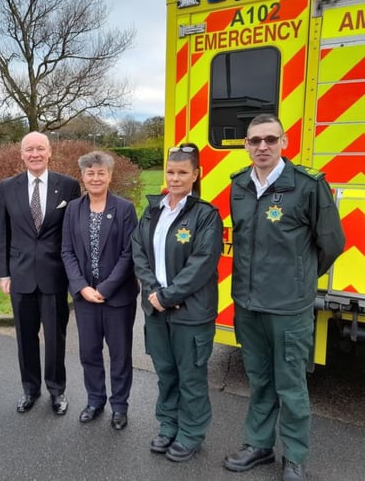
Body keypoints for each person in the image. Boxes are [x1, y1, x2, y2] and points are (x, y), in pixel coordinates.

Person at [223, 114, 345, 481]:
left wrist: (299, 278)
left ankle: (294, 457)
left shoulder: (308, 186)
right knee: (259, 379)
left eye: (270, 139)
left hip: (289, 308)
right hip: (248, 304)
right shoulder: (239, 185)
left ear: (284, 142)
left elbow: (332, 243)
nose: (262, 146)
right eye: (255, 140)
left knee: (291, 385)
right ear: (246, 145)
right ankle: (259, 445)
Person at [131, 143, 223, 462]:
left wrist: (166, 296)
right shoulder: (153, 210)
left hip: (191, 313)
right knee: (166, 373)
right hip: (156, 310)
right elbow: (138, 252)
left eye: (183, 172)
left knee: (191, 377)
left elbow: (202, 264)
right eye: (170, 171)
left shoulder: (206, 215)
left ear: (196, 174)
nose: (175, 178)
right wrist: (153, 291)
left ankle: (191, 433)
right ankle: (168, 425)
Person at [0, 131, 81, 415]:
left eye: (40, 149)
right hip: (20, 275)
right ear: (21, 154)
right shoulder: (7, 187)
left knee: (56, 338)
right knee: (25, 337)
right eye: (29, 149)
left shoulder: (68, 186)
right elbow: (2, 233)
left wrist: (74, 274)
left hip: (55, 275)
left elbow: (73, 232)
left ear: (49, 152)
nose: (35, 154)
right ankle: (30, 390)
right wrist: (4, 273)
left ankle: (57, 391)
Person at [61, 151, 139, 430]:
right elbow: (67, 251)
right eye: (90, 173)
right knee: (89, 352)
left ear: (110, 175)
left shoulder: (125, 208)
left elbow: (129, 253)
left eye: (101, 173)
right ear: (82, 176)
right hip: (85, 298)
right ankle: (95, 400)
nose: (95, 178)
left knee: (120, 354)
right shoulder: (73, 209)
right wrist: (81, 287)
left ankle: (119, 406)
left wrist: (104, 288)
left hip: (118, 298)